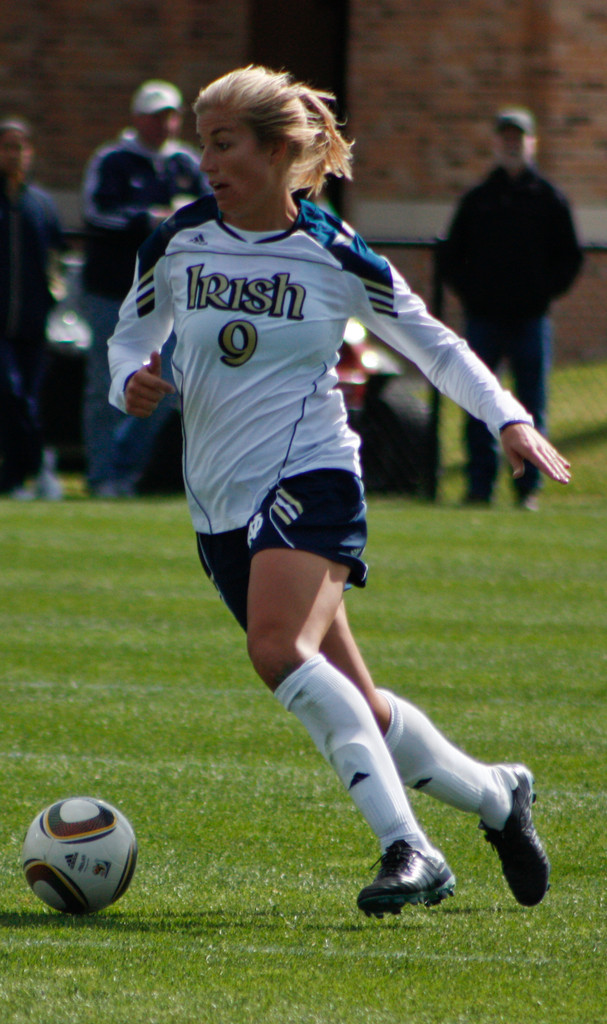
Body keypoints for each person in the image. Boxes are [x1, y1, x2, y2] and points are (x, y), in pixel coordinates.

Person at [108, 67, 571, 918]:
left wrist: (506, 416)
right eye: (203, 143)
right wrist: (128, 382)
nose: (206, 162)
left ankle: (409, 848)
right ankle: (498, 795)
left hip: (312, 473)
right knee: (360, 704)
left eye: (223, 143)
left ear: (276, 151)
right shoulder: (176, 240)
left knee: (276, 650)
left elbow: (431, 343)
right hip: (218, 502)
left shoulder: (331, 250)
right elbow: (130, 337)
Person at [437, 107, 583, 509]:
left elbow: (569, 257)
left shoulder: (549, 199)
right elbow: (451, 256)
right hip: (483, 318)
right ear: (495, 143)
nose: (512, 145)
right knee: (478, 401)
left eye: (519, 138)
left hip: (530, 319)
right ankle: (478, 487)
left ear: (532, 143)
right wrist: (473, 294)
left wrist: (542, 292)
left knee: (531, 405)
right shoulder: (478, 200)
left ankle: (527, 489)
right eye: (505, 138)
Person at [81, 79, 211, 497]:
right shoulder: (113, 160)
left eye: (170, 116)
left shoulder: (186, 163)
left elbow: (213, 212)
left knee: (164, 386)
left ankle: (127, 471)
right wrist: (147, 220)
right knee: (108, 383)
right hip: (112, 291)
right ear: (137, 118)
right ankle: (102, 474)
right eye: (155, 117)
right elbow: (96, 213)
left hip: (167, 297)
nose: (164, 124)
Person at [0, 117, 66, 500]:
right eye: (7, 146)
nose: (15, 155)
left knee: (28, 398)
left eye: (21, 147)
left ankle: (17, 475)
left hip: (32, 323)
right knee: (10, 392)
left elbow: (55, 258)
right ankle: (37, 463)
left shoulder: (40, 204)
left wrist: (54, 296)